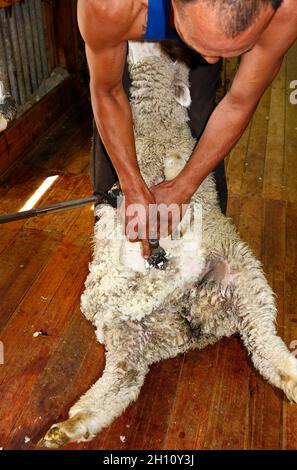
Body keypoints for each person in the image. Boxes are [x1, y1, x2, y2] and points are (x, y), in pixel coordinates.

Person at [77, 0, 296, 258]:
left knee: (201, 117)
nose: (212, 59)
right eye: (207, 46)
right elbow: (108, 92)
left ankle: (206, 252)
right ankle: (112, 256)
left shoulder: (286, 11)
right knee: (112, 167)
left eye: (233, 50)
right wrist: (131, 185)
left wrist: (184, 186)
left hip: (197, 25)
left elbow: (239, 102)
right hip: (137, 18)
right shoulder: (109, 5)